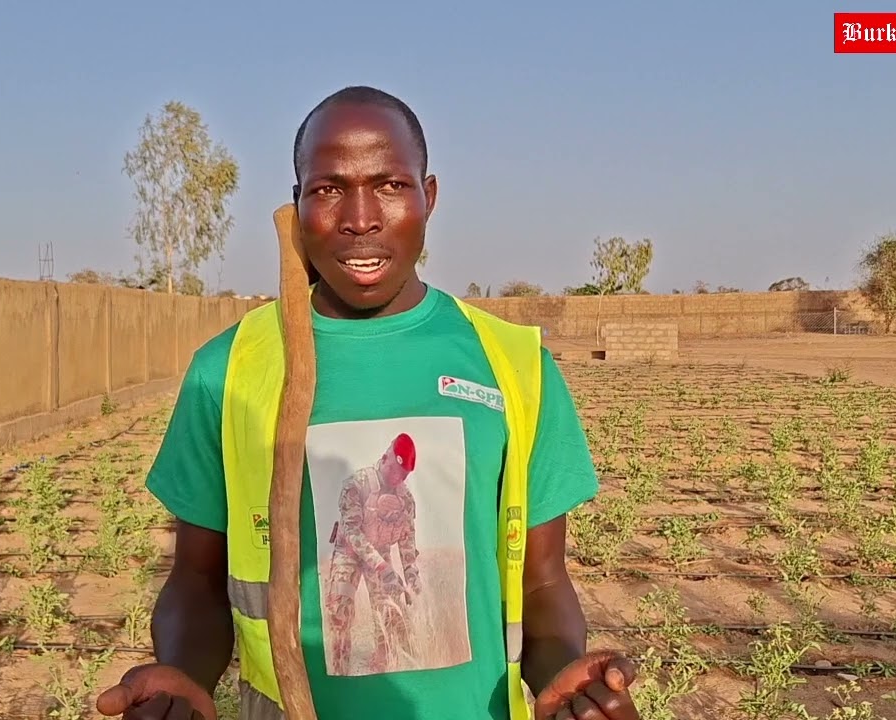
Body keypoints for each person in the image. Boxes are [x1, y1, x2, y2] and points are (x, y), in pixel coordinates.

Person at [96, 86, 641, 720]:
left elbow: (542, 582)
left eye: (390, 185)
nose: (360, 218)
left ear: (428, 196)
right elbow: (196, 580)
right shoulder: (228, 371)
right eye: (329, 188)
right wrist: (182, 674)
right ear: (298, 203)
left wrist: (566, 679)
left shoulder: (514, 365)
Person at [324, 432, 421, 676]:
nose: (397, 479)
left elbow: (407, 540)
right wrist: (383, 567)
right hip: (349, 551)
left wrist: (411, 577)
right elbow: (353, 533)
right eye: (395, 471)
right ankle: (340, 673)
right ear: (385, 458)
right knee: (339, 610)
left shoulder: (405, 500)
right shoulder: (356, 485)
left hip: (379, 552)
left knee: (388, 612)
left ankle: (382, 671)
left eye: (403, 475)